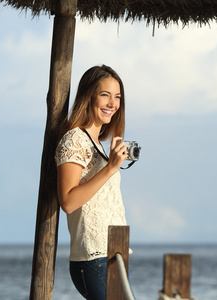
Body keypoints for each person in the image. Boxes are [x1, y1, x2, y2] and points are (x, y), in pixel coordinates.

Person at [55, 65, 128, 300]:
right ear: (89, 96)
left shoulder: (97, 145)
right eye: (105, 95)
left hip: (113, 252)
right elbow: (67, 201)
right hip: (92, 258)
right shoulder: (75, 138)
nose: (112, 103)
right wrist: (110, 168)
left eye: (117, 97)